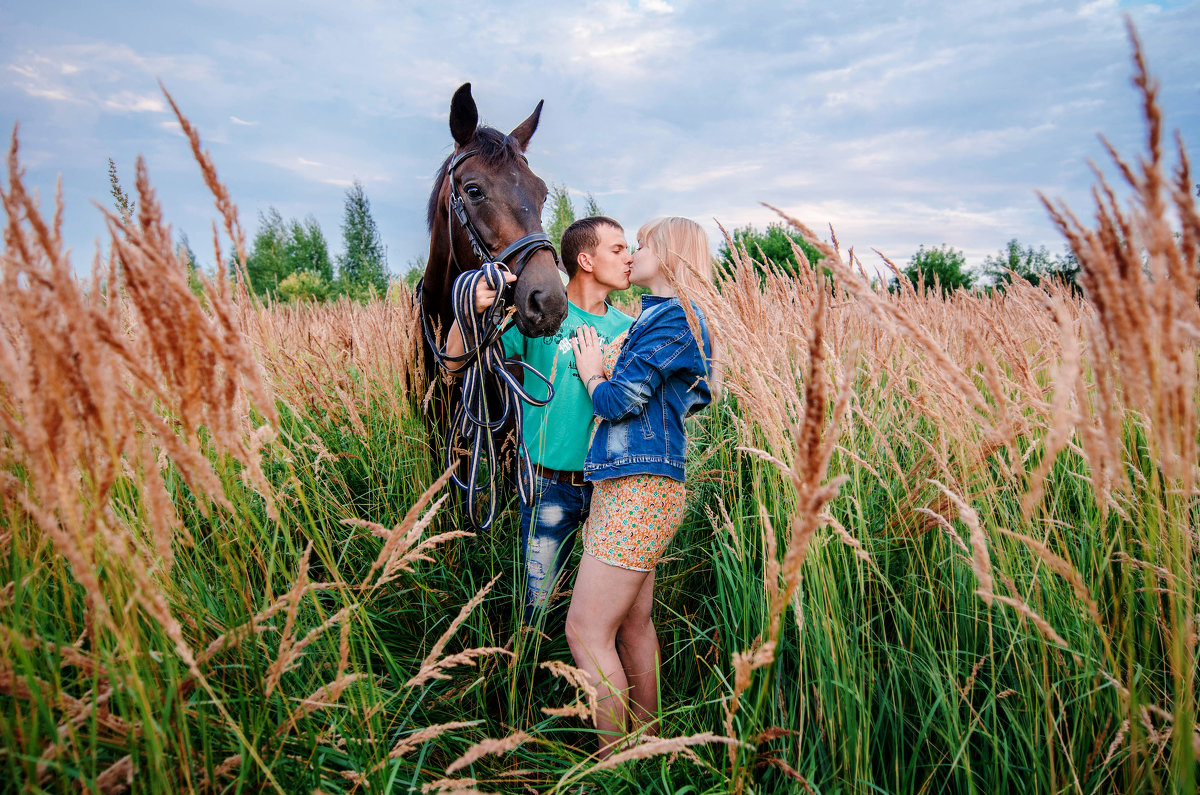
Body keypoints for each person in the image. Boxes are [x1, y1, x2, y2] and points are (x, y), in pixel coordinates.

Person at [566, 216, 714, 754]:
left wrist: (591, 371)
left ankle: (611, 768)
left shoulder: (674, 318)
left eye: (644, 244)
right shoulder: (658, 318)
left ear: (670, 253)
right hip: (633, 485)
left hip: (639, 488)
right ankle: (647, 749)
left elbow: (618, 402)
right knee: (632, 625)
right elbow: (687, 396)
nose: (634, 254)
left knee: (584, 631)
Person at [443, 216, 635, 622]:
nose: (629, 258)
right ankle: (532, 677)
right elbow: (455, 363)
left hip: (612, 489)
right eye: (618, 249)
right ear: (585, 259)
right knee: (539, 605)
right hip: (549, 486)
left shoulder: (630, 330)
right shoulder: (537, 315)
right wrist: (469, 312)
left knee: (605, 611)